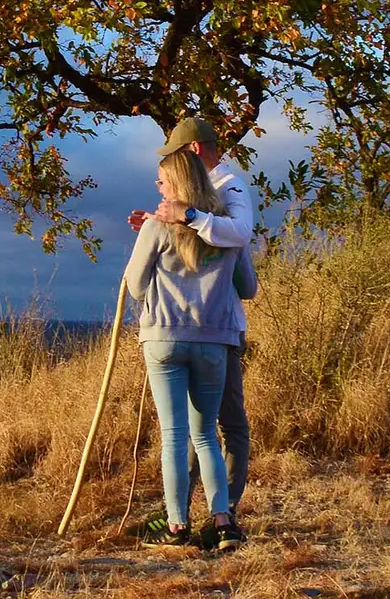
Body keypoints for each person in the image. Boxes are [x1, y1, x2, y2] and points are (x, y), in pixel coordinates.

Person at [125, 147, 256, 551]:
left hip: (164, 337)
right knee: (206, 437)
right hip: (214, 340)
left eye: (162, 181)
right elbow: (248, 288)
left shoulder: (156, 227)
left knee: (174, 435)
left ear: (178, 184)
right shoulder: (227, 230)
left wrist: (156, 294)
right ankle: (222, 525)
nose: (158, 189)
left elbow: (134, 284)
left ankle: (177, 526)